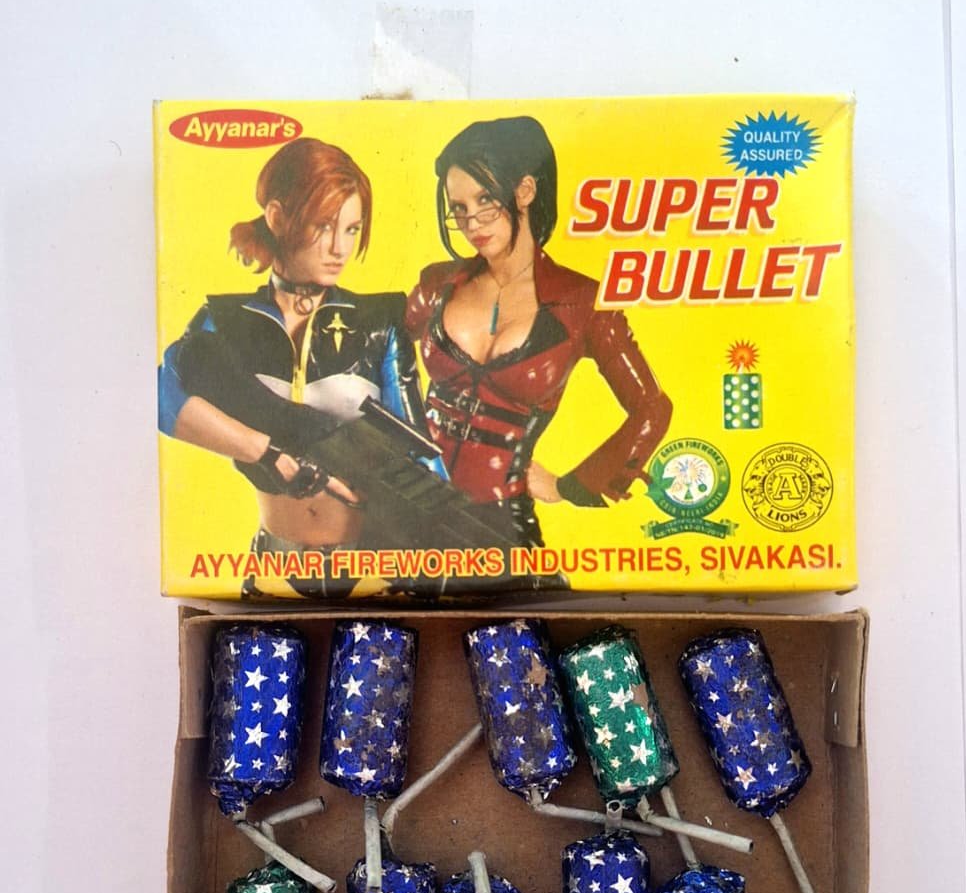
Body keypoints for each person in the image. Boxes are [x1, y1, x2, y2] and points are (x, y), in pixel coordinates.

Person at [158, 137, 436, 596]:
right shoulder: (224, 320)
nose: (339, 248)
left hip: (374, 569)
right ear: (277, 217)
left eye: (352, 229)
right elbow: (164, 399)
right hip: (272, 560)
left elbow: (419, 452)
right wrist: (264, 452)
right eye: (323, 226)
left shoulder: (378, 322)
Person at [405, 115, 673, 551]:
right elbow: (374, 344)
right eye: (459, 209)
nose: (472, 222)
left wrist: (572, 486)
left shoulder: (582, 303)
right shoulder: (438, 284)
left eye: (485, 200)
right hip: (405, 505)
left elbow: (652, 408)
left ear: (525, 190)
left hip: (498, 522)